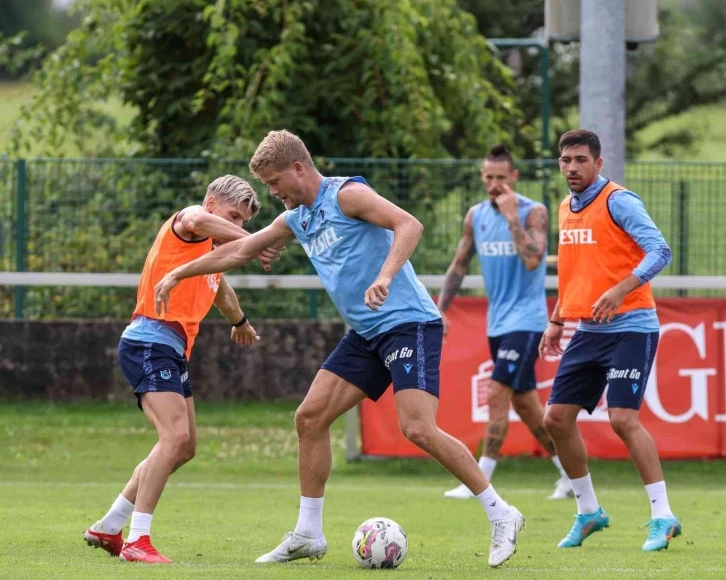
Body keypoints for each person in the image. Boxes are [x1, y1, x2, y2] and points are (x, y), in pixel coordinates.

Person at [154, 130, 525, 568]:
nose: (272, 193)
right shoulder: (296, 219)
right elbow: (238, 251)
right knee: (309, 418)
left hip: (407, 324)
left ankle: (502, 514)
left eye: (274, 182)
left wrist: (385, 275)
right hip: (365, 335)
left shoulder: (347, 195)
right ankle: (308, 533)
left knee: (418, 428)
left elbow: (410, 224)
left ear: (298, 168)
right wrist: (179, 273)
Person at [83, 175, 281, 563]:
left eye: (243, 221)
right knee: (173, 437)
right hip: (149, 341)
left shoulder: (209, 254)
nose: (237, 226)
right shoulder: (189, 222)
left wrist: (240, 322)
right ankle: (138, 541)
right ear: (212, 204)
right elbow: (196, 219)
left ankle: (109, 525)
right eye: (233, 216)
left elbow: (221, 291)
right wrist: (255, 240)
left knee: (185, 447)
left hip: (170, 349)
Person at [540, 129, 681, 551]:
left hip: (632, 325)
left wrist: (621, 290)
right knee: (555, 420)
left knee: (622, 419)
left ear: (598, 163)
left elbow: (661, 251)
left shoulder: (618, 201)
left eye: (581, 160)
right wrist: (557, 319)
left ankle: (663, 515)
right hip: (588, 330)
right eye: (566, 160)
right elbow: (575, 273)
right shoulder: (565, 207)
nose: (572, 168)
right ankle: (588, 512)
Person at [438, 145, 573, 501]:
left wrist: (513, 218)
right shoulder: (476, 216)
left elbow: (533, 261)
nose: (495, 184)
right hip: (497, 324)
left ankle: (478, 480)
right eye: (489, 177)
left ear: (514, 176)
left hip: (527, 322)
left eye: (501, 177)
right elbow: (459, 265)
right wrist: (440, 308)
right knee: (527, 406)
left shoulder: (533, 212)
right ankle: (571, 475)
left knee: (497, 391)